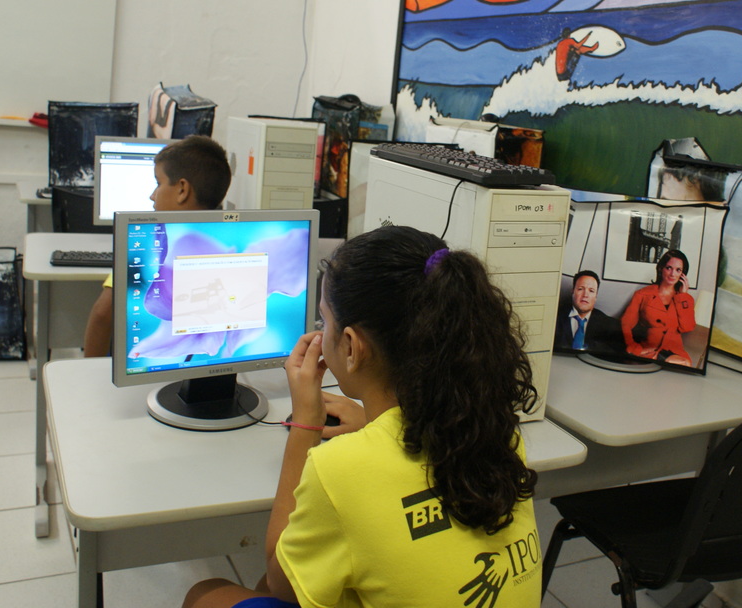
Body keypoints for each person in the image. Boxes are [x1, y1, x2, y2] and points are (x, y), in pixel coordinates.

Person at [183, 225, 542, 608]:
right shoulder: (496, 430)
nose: (320, 334)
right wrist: (376, 428)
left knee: (207, 593)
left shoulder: (340, 469)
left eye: (324, 322)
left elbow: (279, 583)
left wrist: (306, 421)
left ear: (352, 346)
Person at [82, 135, 231, 357]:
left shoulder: (146, 241)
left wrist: (91, 369)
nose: (152, 195)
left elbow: (103, 313)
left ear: (182, 189)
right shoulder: (224, 239)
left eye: (158, 183)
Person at [619, 249, 696, 366]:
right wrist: (633, 347)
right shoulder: (643, 294)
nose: (672, 274)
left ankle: (659, 359)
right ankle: (656, 358)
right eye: (668, 268)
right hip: (648, 349)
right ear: (661, 268)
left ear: (683, 274)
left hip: (674, 351)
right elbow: (626, 323)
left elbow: (687, 327)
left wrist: (683, 296)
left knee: (685, 363)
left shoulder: (685, 299)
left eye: (678, 270)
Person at [554, 270, 621, 353]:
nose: (585, 295)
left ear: (596, 296)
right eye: (580, 289)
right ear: (573, 291)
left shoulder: (608, 324)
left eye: (591, 291)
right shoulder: (554, 317)